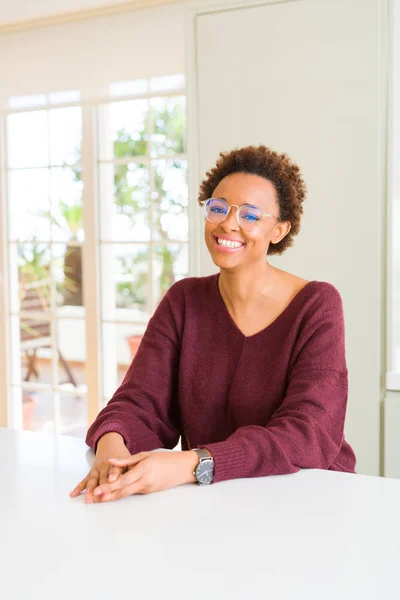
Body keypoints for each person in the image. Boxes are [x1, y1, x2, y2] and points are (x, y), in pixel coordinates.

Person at [70, 145, 356, 504]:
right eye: (218, 208)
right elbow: (139, 401)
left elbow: (308, 434)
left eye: (251, 215)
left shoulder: (316, 305)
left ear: (279, 230)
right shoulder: (184, 301)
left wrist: (192, 464)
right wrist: (112, 446)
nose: (228, 223)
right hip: (213, 503)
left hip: (309, 500)